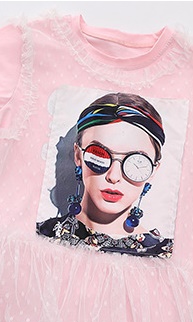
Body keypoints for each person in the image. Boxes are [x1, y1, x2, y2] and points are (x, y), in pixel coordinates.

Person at [37, 92, 173, 257]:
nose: (113, 176)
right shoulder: (38, 238)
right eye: (99, 155)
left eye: (136, 162)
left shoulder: (165, 256)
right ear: (78, 156)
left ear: (154, 170)